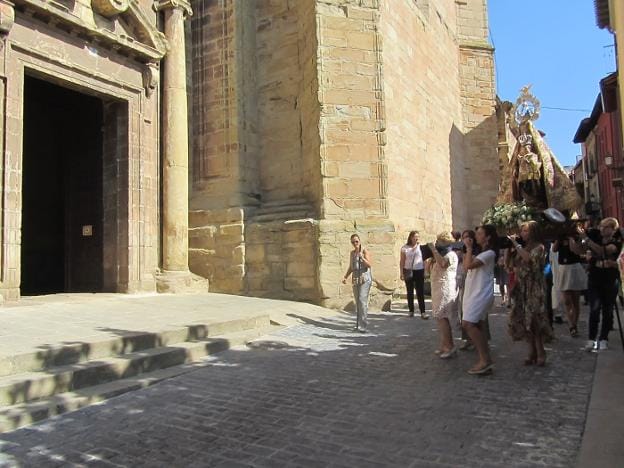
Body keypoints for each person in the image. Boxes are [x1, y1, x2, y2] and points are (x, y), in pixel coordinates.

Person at [573, 217, 622, 351]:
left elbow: (603, 251)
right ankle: (591, 339)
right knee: (594, 309)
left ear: (613, 229)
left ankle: (603, 338)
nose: (601, 229)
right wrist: (573, 239)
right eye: (600, 226)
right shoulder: (596, 236)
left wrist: (587, 239)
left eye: (605, 227)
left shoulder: (617, 240)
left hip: (610, 278)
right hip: (595, 277)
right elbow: (579, 251)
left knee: (607, 310)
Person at [507, 221, 553, 366]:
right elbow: (510, 266)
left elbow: (529, 259)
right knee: (524, 319)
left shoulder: (539, 247)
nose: (522, 234)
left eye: (526, 231)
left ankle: (541, 351)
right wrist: (509, 250)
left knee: (534, 318)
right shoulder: (523, 247)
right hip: (522, 287)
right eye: (522, 231)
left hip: (535, 287)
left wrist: (516, 244)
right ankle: (531, 351)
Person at [461, 225, 497, 375]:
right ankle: (485, 358)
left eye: (480, 233)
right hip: (473, 292)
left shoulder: (489, 253)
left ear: (487, 237)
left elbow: (468, 265)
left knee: (468, 324)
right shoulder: (481, 252)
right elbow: (465, 267)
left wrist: (468, 249)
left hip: (481, 293)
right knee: (477, 325)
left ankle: (485, 359)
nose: (476, 236)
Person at [427, 232, 459, 359]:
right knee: (439, 318)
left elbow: (443, 264)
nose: (437, 243)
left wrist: (434, 250)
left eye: (439, 241)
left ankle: (450, 346)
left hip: (445, 288)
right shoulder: (441, 254)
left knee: (442, 317)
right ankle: (444, 344)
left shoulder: (451, 255)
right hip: (437, 288)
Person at [552, 233, 587, 337]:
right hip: (563, 268)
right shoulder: (560, 237)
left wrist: (571, 238)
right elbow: (554, 249)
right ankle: (570, 324)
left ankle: (574, 324)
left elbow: (575, 250)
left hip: (574, 268)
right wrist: (559, 239)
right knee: (567, 301)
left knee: (575, 300)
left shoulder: (576, 237)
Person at [342, 234, 372, 333]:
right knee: (357, 301)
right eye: (353, 242)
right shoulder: (352, 253)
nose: (355, 244)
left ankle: (363, 325)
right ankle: (358, 324)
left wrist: (362, 258)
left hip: (364, 278)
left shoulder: (364, 251)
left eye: (356, 241)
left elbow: (369, 265)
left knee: (362, 300)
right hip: (356, 277)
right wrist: (345, 276)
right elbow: (351, 267)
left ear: (359, 241)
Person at [399, 231, 428, 319]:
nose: (417, 238)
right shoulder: (404, 248)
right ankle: (411, 310)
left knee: (420, 291)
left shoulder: (421, 247)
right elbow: (402, 261)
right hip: (408, 270)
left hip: (419, 270)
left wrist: (426, 271)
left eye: (418, 236)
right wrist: (401, 272)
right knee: (410, 291)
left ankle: (423, 312)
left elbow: (424, 260)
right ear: (411, 237)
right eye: (415, 236)